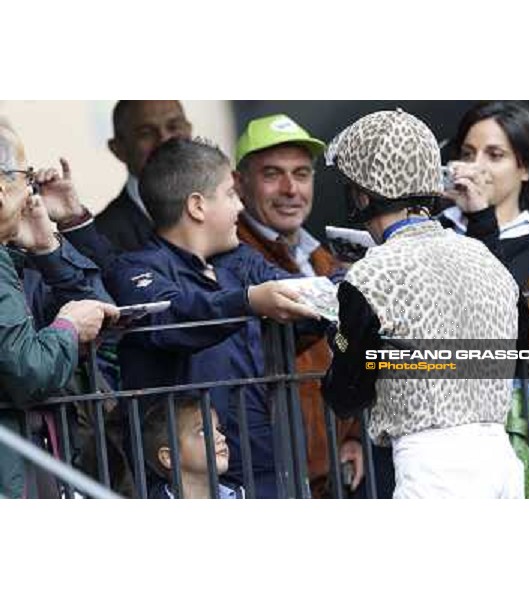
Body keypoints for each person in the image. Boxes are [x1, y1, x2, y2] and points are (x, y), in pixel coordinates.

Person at [322, 108, 524, 499]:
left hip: (434, 467)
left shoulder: (370, 275)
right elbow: (517, 353)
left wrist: (341, 342)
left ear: (361, 195)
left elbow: (346, 394)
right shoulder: (485, 257)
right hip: (500, 456)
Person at [103, 137, 320, 498]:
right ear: (198, 206)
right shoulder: (134, 269)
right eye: (232, 194)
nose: (241, 205)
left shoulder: (241, 262)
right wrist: (248, 302)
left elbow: (306, 293)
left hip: (272, 469)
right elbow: (172, 318)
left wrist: (355, 281)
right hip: (191, 482)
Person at [234, 113, 364, 497]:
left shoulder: (324, 257)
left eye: (302, 173)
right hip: (271, 479)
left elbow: (349, 352)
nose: (291, 188)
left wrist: (352, 432)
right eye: (272, 174)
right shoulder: (233, 256)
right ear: (239, 184)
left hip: (332, 477)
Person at [0, 118, 119, 498]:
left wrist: (48, 248)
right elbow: (28, 369)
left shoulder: (15, 255)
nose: (33, 192)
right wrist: (68, 326)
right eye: (26, 177)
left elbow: (101, 309)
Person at [440, 100, 529, 289]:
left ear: (526, 169)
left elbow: (497, 304)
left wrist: (480, 216)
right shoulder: (439, 225)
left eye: (495, 155)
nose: (475, 166)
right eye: (467, 154)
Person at [95, 100, 192, 251]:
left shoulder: (230, 211)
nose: (164, 139)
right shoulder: (99, 239)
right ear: (118, 149)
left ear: (189, 130)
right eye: (146, 133)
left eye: (173, 126)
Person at [143, 395, 242, 499]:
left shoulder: (242, 495)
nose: (221, 437)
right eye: (203, 431)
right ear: (169, 457)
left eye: (218, 429)